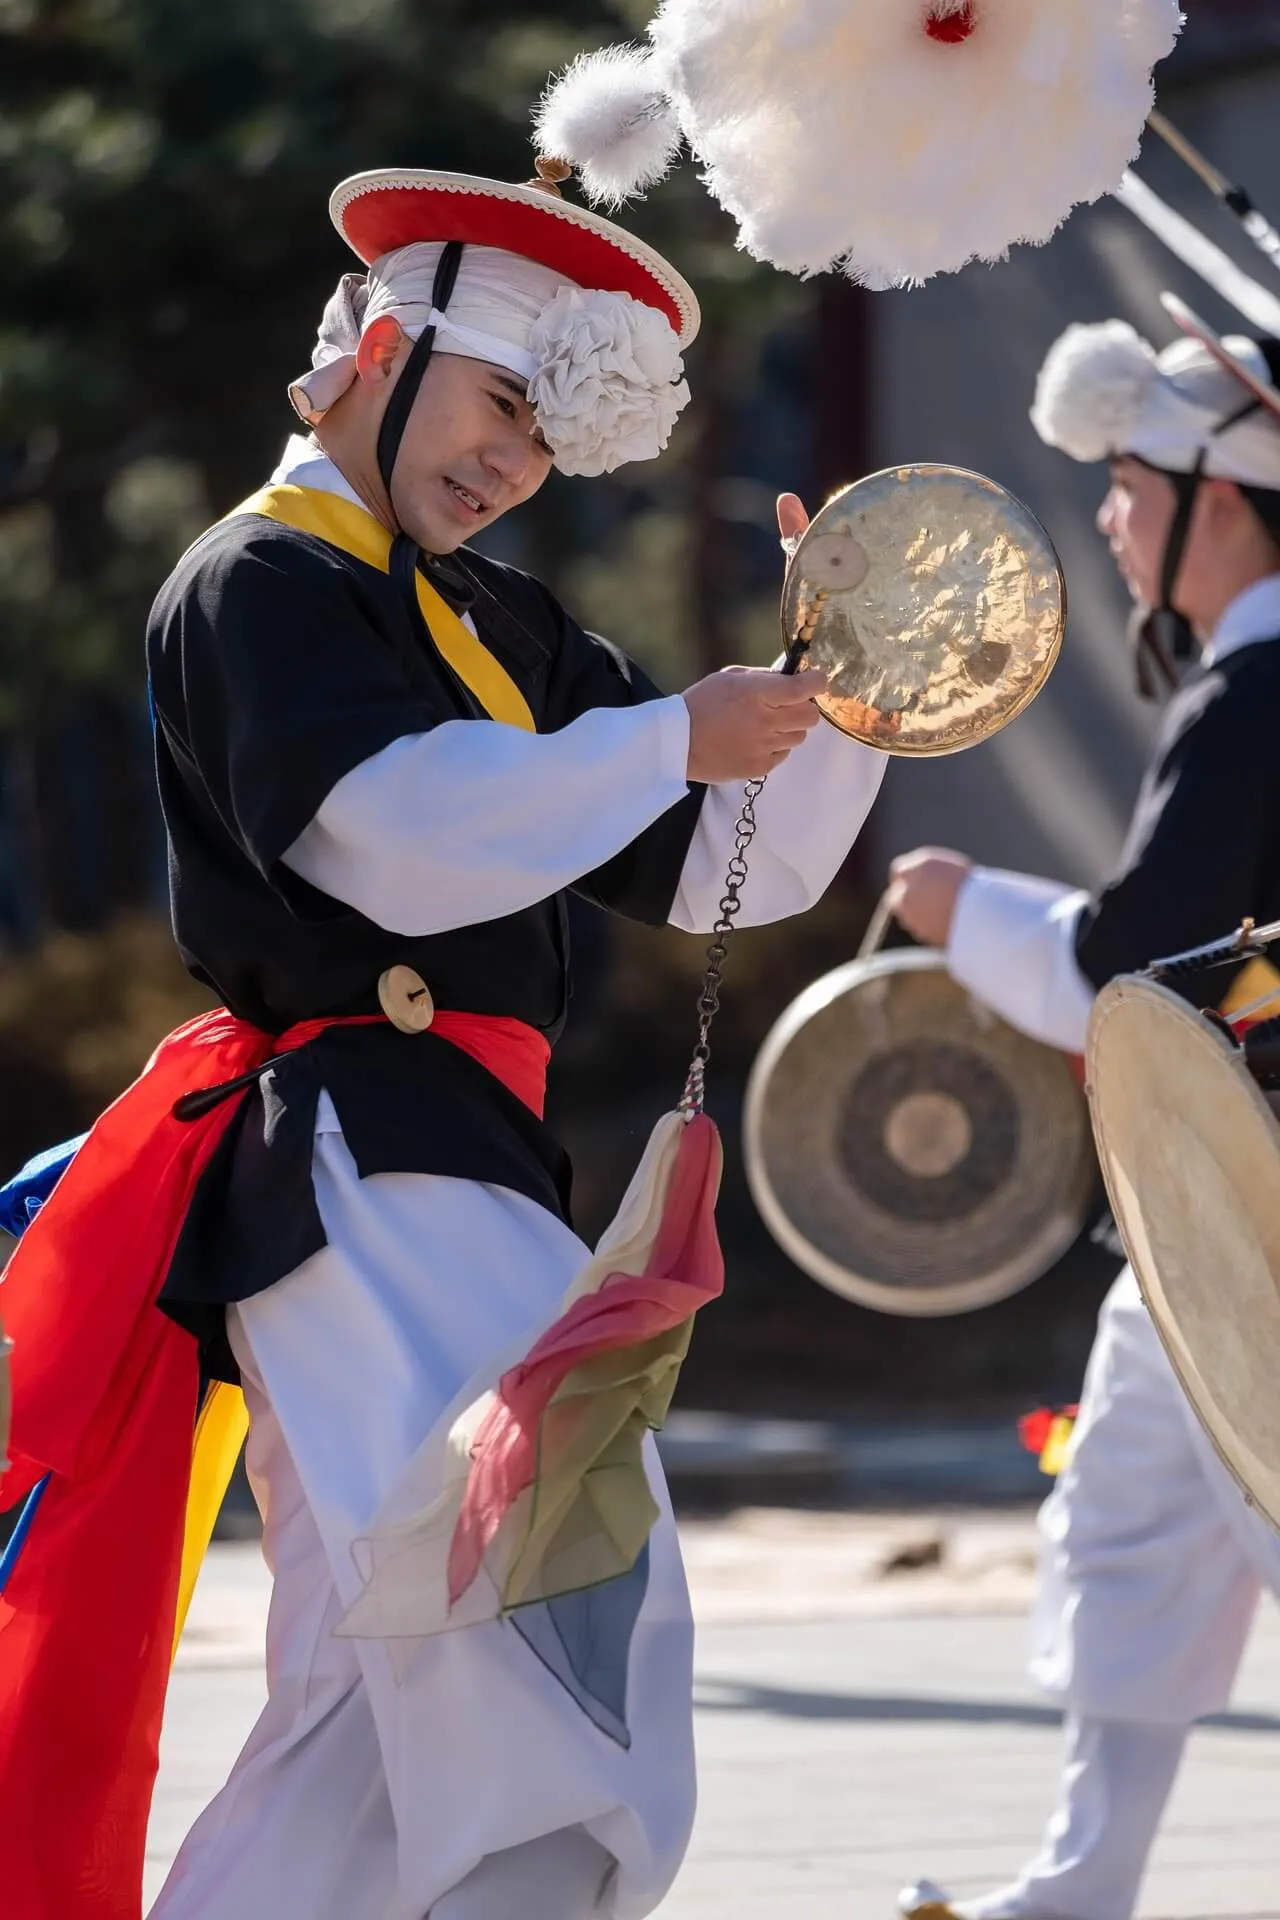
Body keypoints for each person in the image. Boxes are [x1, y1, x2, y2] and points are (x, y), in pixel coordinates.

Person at [0, 161, 889, 1920]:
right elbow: (387, 838)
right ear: (374, 349)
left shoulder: (498, 620)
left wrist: (849, 685)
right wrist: (667, 742)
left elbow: (735, 864)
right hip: (357, 1150)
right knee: (544, 1628)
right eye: (498, 403)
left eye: (544, 441)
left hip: (442, 1165)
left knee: (373, 1702)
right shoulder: (255, 576)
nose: (510, 464)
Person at [894, 310, 1280, 1920]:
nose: (1112, 519)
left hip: (1252, 1208)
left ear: (1226, 500)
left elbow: (1143, 982)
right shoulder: (1248, 682)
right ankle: (1082, 1886)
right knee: (1127, 1521)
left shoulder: (1260, 688)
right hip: (1210, 1210)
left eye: (1131, 483)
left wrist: (967, 907)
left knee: (1170, 1523)